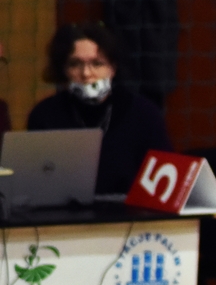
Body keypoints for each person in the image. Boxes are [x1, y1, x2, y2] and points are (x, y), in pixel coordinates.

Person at [27, 22, 172, 196]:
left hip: (128, 210)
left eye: (97, 64)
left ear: (113, 68)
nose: (86, 74)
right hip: (63, 210)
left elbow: (165, 182)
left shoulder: (144, 114)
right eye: (75, 64)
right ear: (63, 69)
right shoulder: (45, 114)